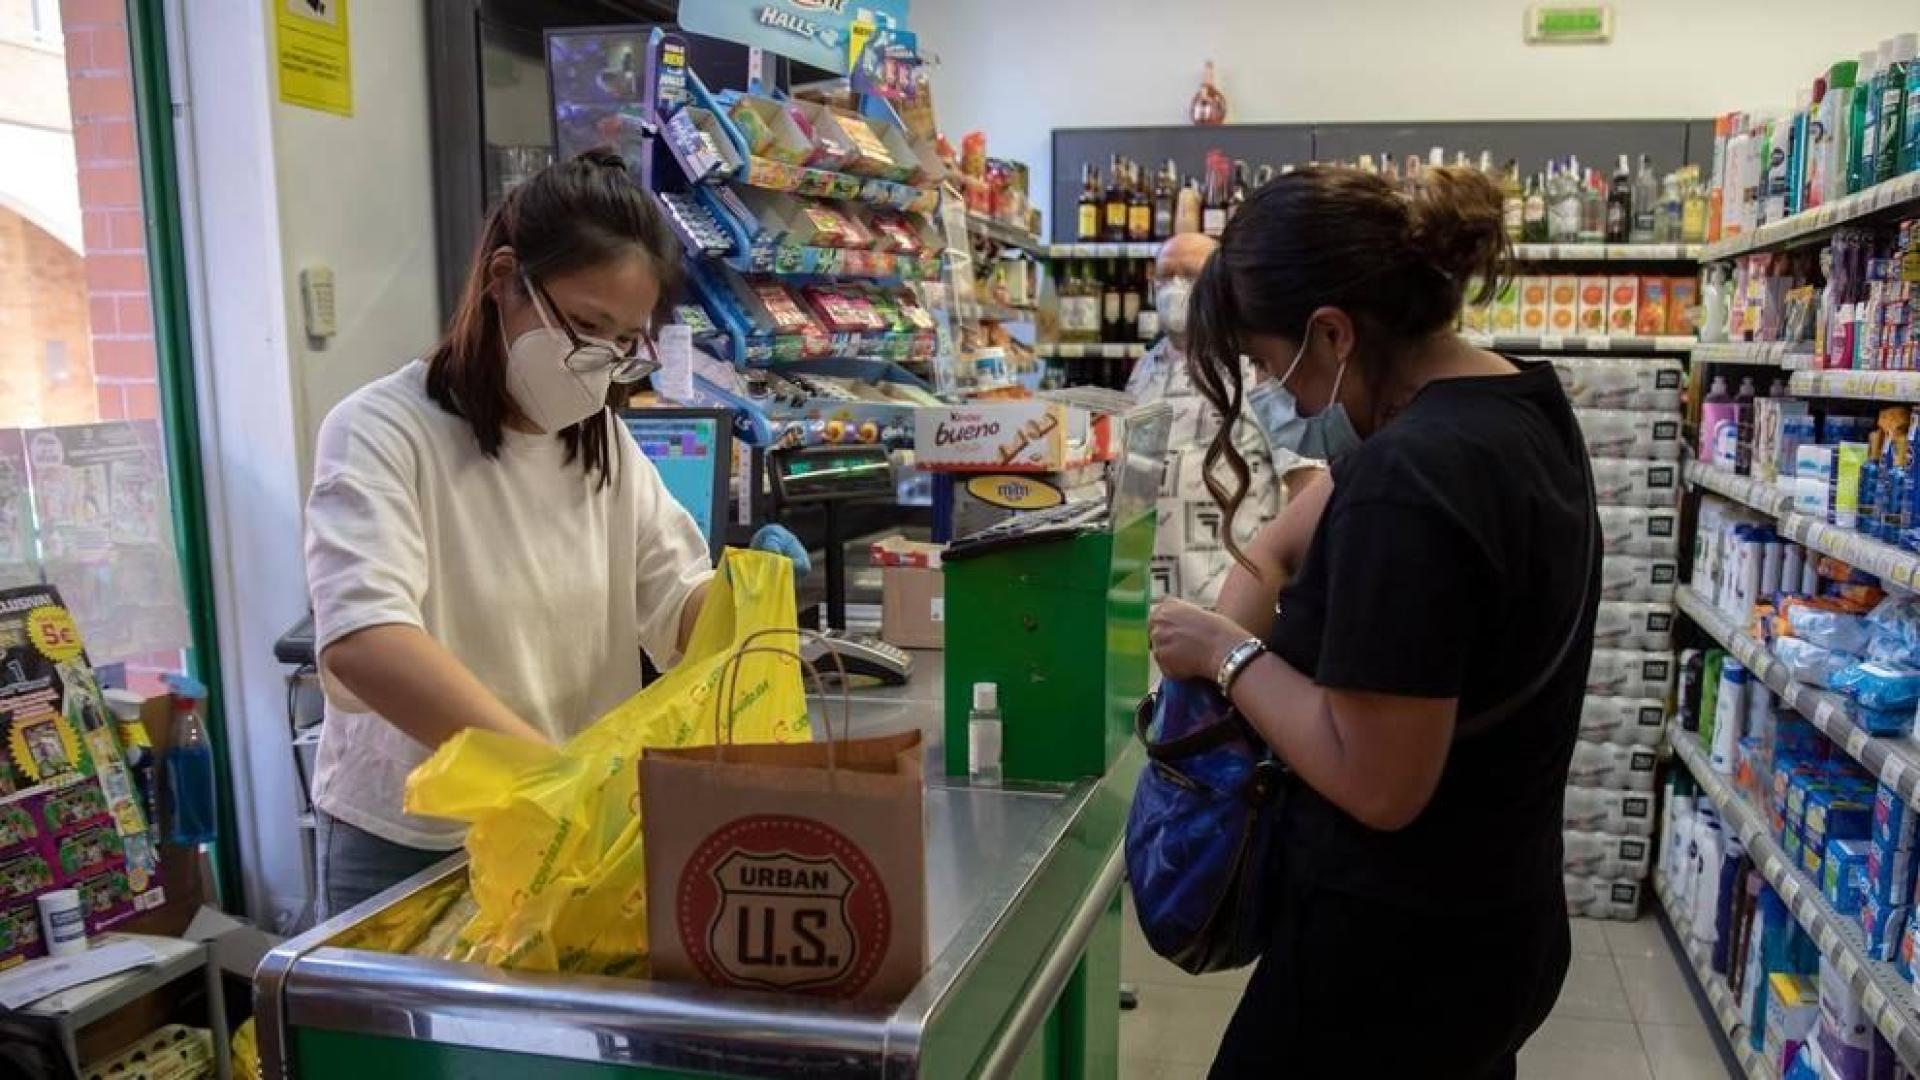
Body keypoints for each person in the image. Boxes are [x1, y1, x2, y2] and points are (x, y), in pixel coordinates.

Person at [1146, 165, 1599, 1078]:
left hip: (1392, 963)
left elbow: (1381, 778)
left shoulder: (1412, 479)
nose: (1279, 396)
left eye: (1274, 367)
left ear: (1335, 333)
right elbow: (1274, 546)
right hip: (1496, 924)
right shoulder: (1515, 404)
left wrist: (1225, 657)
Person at [303, 151, 806, 916]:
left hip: (561, 841)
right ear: (504, 279)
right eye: (584, 325)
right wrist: (545, 775)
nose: (598, 363)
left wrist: (748, 606)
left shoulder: (600, 441)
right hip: (412, 845)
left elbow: (676, 602)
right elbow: (366, 640)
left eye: (623, 342)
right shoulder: (381, 431)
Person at [1127, 234, 1308, 606]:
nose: (1175, 287)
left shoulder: (1258, 367)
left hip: (1229, 599)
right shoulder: (1145, 366)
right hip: (1148, 603)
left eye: (1191, 275)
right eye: (1165, 275)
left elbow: (1307, 480)